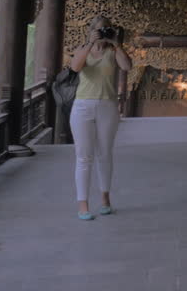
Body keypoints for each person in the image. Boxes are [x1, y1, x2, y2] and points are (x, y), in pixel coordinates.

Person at [69, 15, 132, 220]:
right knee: (84, 156)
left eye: (106, 29)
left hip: (107, 106)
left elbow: (127, 66)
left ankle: (105, 199)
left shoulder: (113, 52)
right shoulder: (82, 49)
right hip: (82, 107)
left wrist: (116, 43)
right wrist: (90, 43)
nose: (103, 32)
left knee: (105, 153)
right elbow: (75, 67)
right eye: (99, 29)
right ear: (91, 31)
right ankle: (83, 205)